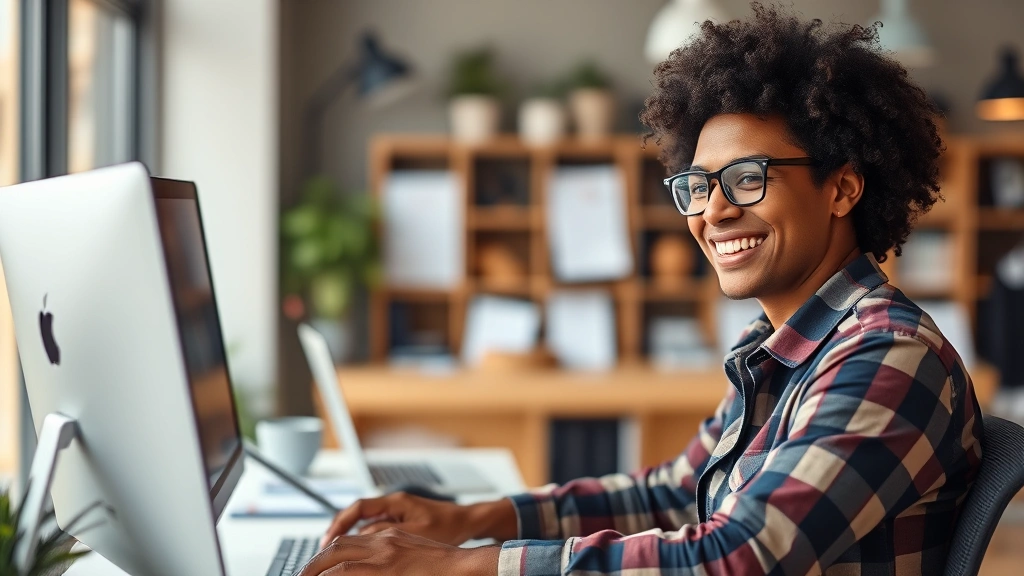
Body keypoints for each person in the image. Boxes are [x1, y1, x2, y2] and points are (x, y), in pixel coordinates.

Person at [297, 4, 983, 575]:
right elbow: (676, 493)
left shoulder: (887, 356)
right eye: (697, 186)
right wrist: (468, 519)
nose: (713, 211)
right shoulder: (778, 346)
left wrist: (461, 565)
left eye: (748, 178)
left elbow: (736, 558)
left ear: (842, 188)